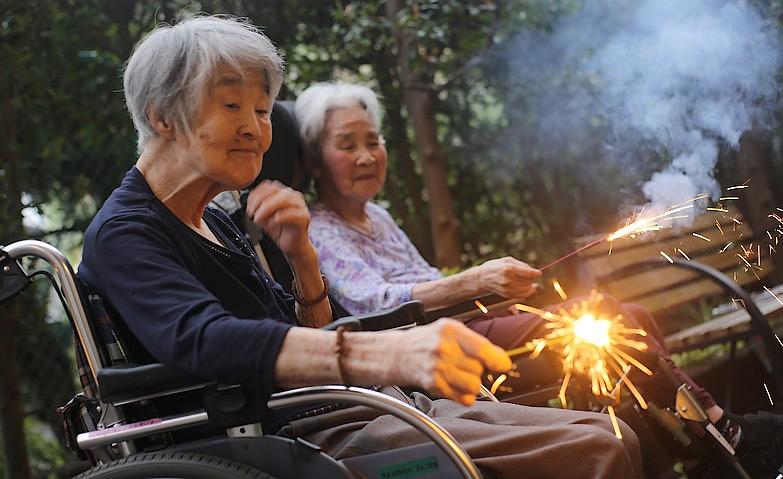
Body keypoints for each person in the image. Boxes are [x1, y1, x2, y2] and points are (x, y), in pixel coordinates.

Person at [78, 15, 645, 479]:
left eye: (261, 109)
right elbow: (202, 339)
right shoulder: (127, 232)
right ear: (162, 117)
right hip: (279, 436)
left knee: (606, 433)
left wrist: (302, 258)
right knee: (596, 453)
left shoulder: (217, 222)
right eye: (232, 107)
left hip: (338, 408)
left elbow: (307, 326)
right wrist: (387, 355)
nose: (255, 127)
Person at [286, 81, 783, 476]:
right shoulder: (319, 229)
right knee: (607, 321)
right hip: (433, 351)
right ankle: (720, 432)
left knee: (627, 315)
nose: (367, 155)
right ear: (313, 160)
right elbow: (374, 304)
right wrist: (476, 282)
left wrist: (488, 292)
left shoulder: (380, 218)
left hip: (465, 324)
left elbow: (428, 280)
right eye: (346, 145)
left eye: (373, 141)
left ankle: (687, 442)